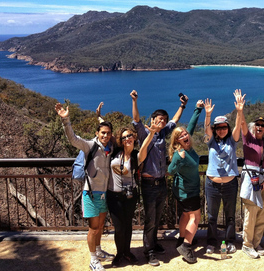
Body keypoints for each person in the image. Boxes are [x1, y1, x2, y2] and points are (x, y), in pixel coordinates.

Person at [55, 102, 115, 271]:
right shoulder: (90, 146)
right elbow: (73, 139)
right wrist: (65, 120)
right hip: (90, 194)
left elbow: (108, 130)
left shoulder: (108, 147)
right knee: (94, 228)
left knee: (101, 227)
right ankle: (93, 260)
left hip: (103, 194)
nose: (106, 135)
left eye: (108, 133)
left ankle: (98, 251)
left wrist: (100, 117)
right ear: (97, 133)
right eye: (103, 133)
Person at [131, 89, 188, 267]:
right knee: (150, 219)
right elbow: (136, 120)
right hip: (148, 184)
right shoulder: (144, 133)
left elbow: (175, 120)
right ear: (153, 119)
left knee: (157, 218)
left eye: (164, 119)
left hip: (161, 183)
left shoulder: (163, 133)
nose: (162, 121)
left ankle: (154, 243)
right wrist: (134, 101)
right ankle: (148, 252)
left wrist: (183, 105)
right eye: (159, 119)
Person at [107, 119, 160, 267]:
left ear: (134, 137)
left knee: (128, 225)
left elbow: (145, 147)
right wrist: (99, 117)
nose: (127, 138)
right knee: (119, 227)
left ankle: (127, 252)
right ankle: (120, 253)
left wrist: (152, 133)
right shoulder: (115, 152)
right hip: (113, 195)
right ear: (121, 140)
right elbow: (106, 135)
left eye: (129, 135)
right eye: (124, 137)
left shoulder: (136, 156)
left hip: (130, 196)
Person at [203, 90, 245, 255]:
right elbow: (207, 129)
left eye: (223, 127)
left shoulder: (232, 141)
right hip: (212, 185)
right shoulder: (211, 141)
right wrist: (208, 115)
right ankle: (212, 242)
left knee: (230, 216)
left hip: (230, 184)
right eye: (218, 127)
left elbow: (237, 126)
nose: (221, 130)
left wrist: (240, 110)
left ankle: (230, 241)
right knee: (212, 216)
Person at [167, 99, 204, 263]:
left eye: (185, 134)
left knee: (186, 215)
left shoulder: (188, 145)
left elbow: (191, 126)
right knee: (195, 218)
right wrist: (178, 160)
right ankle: (186, 246)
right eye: (180, 136)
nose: (184, 135)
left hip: (184, 190)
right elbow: (170, 171)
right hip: (187, 191)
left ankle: (182, 239)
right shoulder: (179, 153)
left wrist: (197, 109)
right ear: (177, 141)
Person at [240, 109, 264, 259]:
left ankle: (256, 242)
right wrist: (241, 110)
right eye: (257, 125)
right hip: (251, 179)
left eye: (262, 125)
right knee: (251, 214)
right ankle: (247, 245)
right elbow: (242, 123)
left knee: (262, 215)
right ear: (253, 127)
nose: (259, 127)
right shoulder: (248, 139)